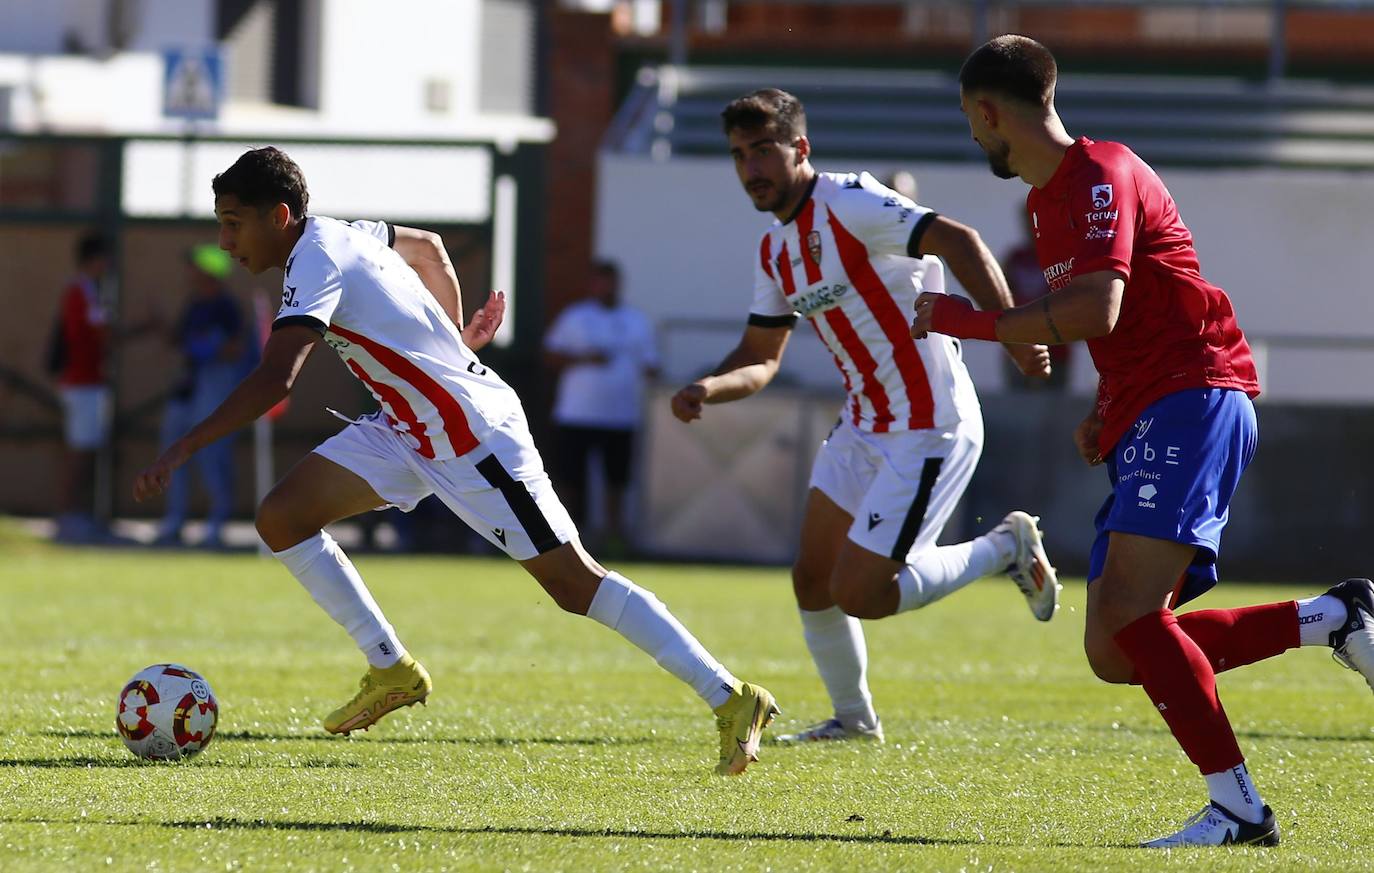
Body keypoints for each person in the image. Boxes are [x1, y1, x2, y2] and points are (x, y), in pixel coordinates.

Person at [133, 147, 778, 776]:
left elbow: (277, 379)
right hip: (409, 429)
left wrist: (182, 446)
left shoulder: (316, 259)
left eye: (232, 223)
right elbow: (428, 248)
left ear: (279, 217)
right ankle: (390, 668)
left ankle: (731, 696)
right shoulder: (345, 231)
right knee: (283, 517)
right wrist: (452, 340)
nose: (225, 241)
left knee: (575, 584)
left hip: (473, 438)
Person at [915, 34, 1374, 847]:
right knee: (1116, 648)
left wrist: (970, 321)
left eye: (970, 119)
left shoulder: (1101, 172)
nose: (973, 134)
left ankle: (1238, 807)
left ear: (989, 112)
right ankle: (1334, 618)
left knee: (1130, 615)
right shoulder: (1043, 201)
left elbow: (1099, 309)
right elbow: (1121, 326)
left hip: (1194, 396)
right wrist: (1108, 401)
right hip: (1155, 403)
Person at [669, 88, 1060, 746]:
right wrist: (709, 386)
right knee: (812, 578)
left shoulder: (847, 203)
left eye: (763, 150)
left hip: (929, 421)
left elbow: (958, 240)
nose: (750, 168)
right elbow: (762, 356)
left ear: (801, 149)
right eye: (739, 155)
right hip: (863, 423)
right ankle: (854, 719)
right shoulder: (775, 249)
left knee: (863, 591)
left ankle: (1003, 549)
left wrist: (1013, 332)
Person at [543, 260, 659, 554]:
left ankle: (613, 535)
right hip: (577, 413)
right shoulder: (575, 317)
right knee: (571, 477)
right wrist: (584, 359)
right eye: (599, 281)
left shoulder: (636, 320)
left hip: (620, 415)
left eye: (610, 281)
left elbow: (651, 364)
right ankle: (568, 535)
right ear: (591, 285)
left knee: (616, 480)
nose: (605, 288)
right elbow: (551, 356)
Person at [155, 244, 255, 548]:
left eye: (195, 267)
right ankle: (174, 520)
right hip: (188, 384)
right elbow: (179, 341)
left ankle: (216, 524)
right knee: (172, 449)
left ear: (210, 272)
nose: (189, 273)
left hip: (216, 384)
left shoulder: (227, 307)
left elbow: (236, 349)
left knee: (213, 454)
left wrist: (209, 348)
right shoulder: (193, 304)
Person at [51, 233, 115, 543]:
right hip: (82, 382)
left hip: (89, 382)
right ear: (94, 259)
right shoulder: (80, 291)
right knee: (79, 451)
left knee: (86, 449)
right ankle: (67, 516)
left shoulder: (90, 291)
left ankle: (76, 514)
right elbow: (89, 336)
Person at [1000, 208, 1070, 391]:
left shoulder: (1062, 256)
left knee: (1054, 404)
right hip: (1019, 344)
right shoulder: (1014, 259)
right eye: (1028, 221)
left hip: (1057, 345)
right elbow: (1001, 298)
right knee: (1018, 402)